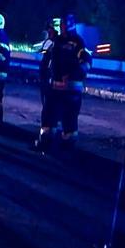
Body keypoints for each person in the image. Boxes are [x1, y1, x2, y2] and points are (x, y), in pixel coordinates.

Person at [35, 13, 91, 152]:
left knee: (69, 120)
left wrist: (72, 75)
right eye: (61, 24)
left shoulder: (77, 42)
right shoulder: (58, 41)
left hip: (71, 89)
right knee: (49, 116)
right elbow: (48, 58)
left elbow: (85, 63)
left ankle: (67, 148)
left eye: (63, 24)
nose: (61, 27)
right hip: (55, 87)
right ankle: (46, 143)